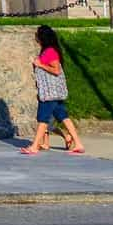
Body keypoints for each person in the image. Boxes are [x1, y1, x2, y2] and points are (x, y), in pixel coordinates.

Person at [21, 24, 85, 156]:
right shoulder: (47, 51)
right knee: (64, 117)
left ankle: (34, 147)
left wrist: (40, 65)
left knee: (43, 119)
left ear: (42, 37)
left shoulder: (50, 51)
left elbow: (56, 70)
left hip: (50, 94)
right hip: (52, 93)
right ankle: (78, 143)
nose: (35, 36)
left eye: (37, 34)